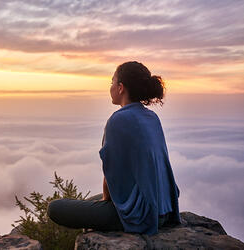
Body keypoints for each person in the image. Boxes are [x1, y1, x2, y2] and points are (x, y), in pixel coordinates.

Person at [46, 61, 181, 235]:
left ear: (120, 88)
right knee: (88, 201)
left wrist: (104, 206)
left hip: (143, 215)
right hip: (164, 208)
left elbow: (111, 176)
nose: (110, 87)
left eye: (112, 82)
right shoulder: (151, 117)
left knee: (55, 208)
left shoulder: (118, 120)